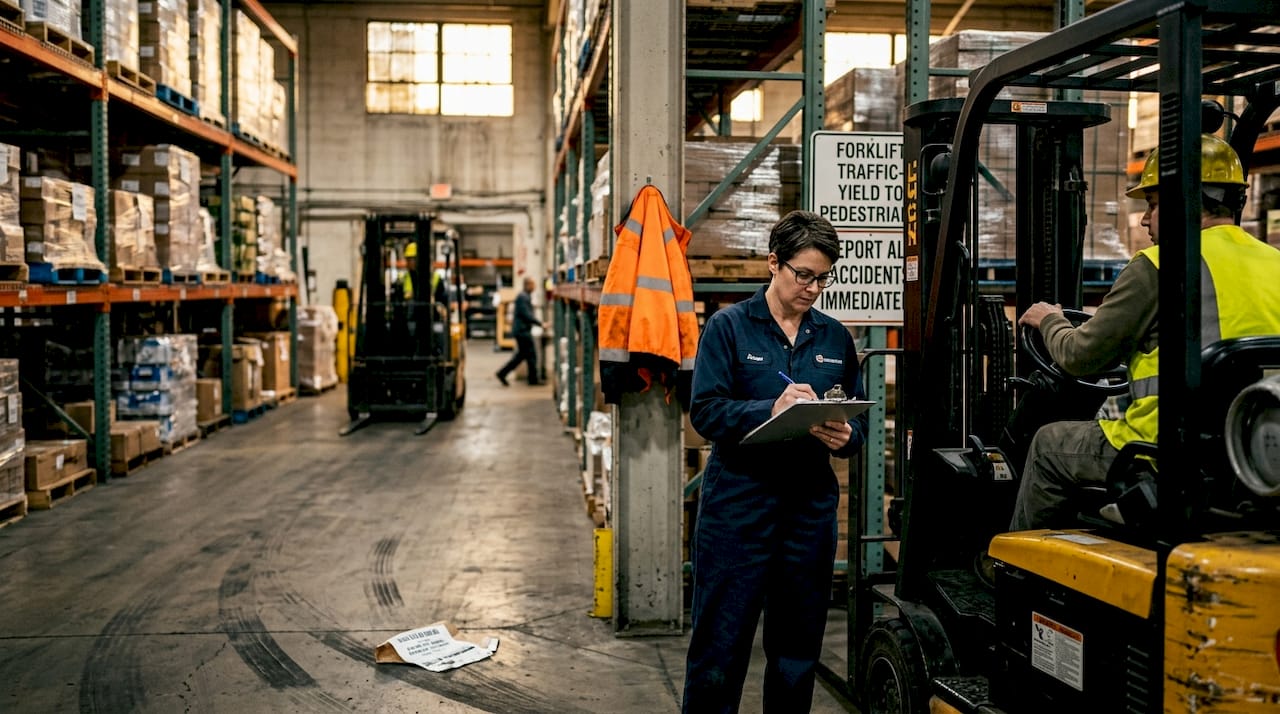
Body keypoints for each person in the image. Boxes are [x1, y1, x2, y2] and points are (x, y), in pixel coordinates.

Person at [1010, 134, 1280, 531]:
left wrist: (1049, 320)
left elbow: (1080, 356)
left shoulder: (1157, 266)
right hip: (1252, 451)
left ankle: (1014, 577)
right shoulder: (1273, 261)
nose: (1144, 219)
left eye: (1152, 205)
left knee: (1049, 445)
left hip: (1163, 452)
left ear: (1180, 200)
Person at [682, 210, 869, 712]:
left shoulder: (834, 338)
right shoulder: (729, 328)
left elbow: (859, 419)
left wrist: (847, 435)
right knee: (721, 647)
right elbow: (705, 411)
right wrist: (771, 408)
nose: (812, 288)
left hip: (807, 510)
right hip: (738, 507)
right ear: (773, 263)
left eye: (822, 279)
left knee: (795, 650)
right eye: (802, 274)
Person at [496, 277, 542, 386]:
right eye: (532, 285)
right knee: (531, 355)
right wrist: (540, 323)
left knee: (521, 356)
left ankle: (502, 373)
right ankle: (533, 380)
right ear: (527, 285)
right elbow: (526, 315)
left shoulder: (525, 297)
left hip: (522, 330)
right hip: (522, 331)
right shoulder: (523, 297)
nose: (534, 287)